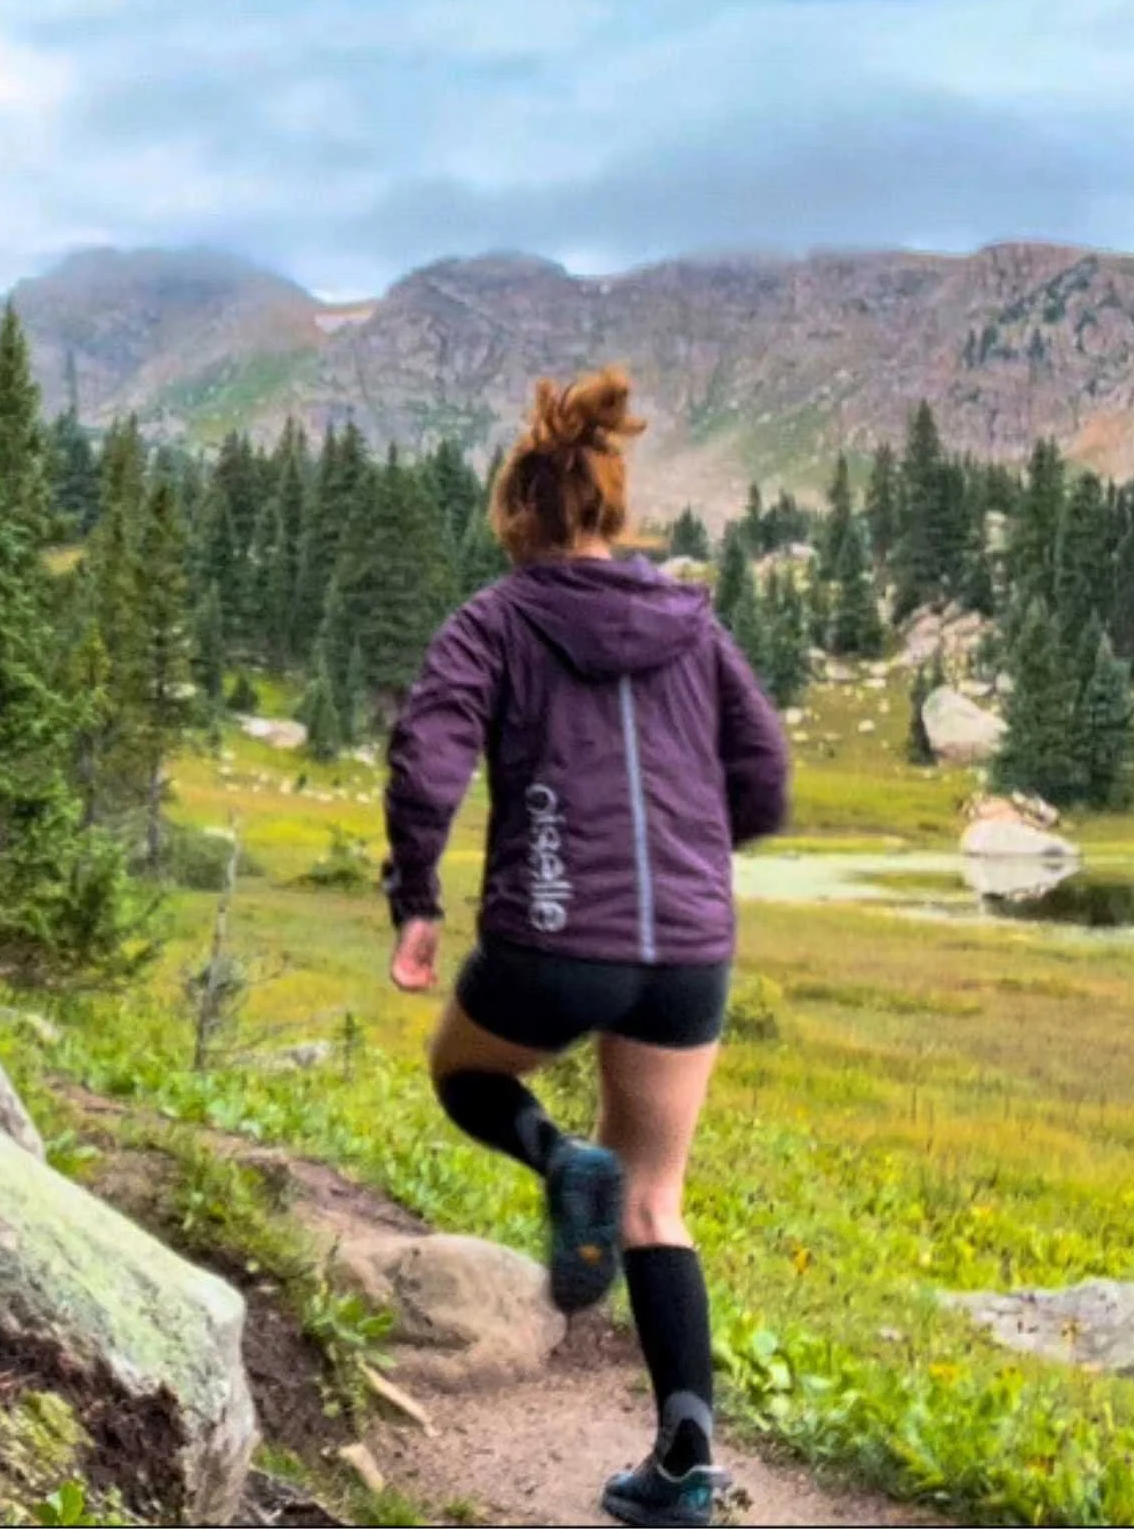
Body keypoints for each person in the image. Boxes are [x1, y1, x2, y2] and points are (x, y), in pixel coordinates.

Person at [380, 368, 791, 1528]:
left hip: (550, 938)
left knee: (467, 1071)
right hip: (690, 949)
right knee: (659, 1198)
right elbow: (761, 775)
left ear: (518, 513)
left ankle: (560, 1160)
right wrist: (707, 855)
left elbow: (428, 756)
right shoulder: (693, 624)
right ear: (611, 506)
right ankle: (685, 1460)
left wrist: (417, 896)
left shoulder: (496, 619)